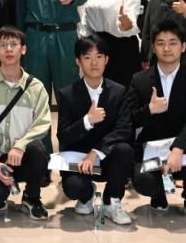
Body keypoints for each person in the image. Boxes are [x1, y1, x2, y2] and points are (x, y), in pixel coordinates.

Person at [127, 22, 186, 223]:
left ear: (183, 46)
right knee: (144, 182)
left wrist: (178, 148)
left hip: (183, 144)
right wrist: (149, 110)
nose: (167, 48)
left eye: (173, 43)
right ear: (153, 48)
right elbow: (129, 119)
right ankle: (158, 193)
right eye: (161, 43)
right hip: (151, 146)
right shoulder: (139, 80)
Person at [0, 27, 51, 220]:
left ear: (23, 49)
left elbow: (42, 123)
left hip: (22, 155)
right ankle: (0, 190)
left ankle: (32, 197)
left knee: (38, 150)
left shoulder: (36, 88)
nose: (8, 49)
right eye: (3, 45)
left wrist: (20, 145)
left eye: (14, 44)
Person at [56, 36, 134, 225]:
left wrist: (96, 152)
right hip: (79, 162)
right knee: (73, 187)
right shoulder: (66, 94)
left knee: (124, 149)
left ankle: (111, 200)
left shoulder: (119, 91)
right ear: (78, 61)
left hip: (106, 159)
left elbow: (124, 129)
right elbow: (63, 135)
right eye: (87, 57)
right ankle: (86, 194)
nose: (94, 63)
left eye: (99, 57)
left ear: (106, 60)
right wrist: (86, 121)